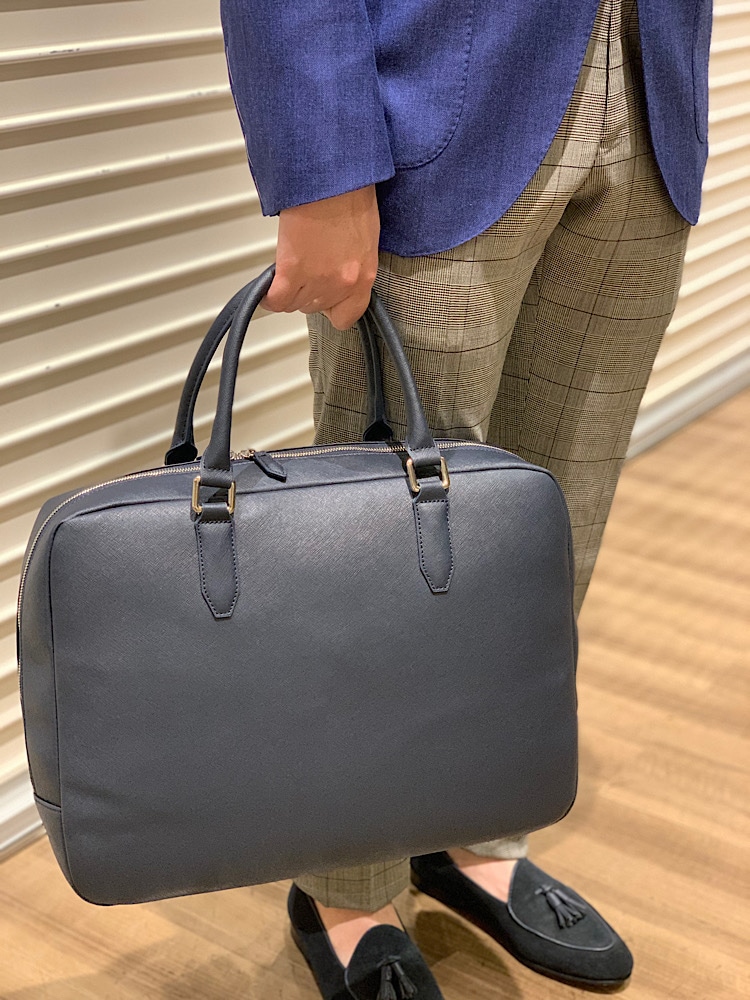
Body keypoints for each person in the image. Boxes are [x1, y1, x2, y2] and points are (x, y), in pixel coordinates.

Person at [220, 0, 713, 996]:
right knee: (382, 567)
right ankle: (346, 891)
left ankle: (474, 833)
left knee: (550, 537)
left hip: (652, 88)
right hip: (434, 99)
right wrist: (320, 158)